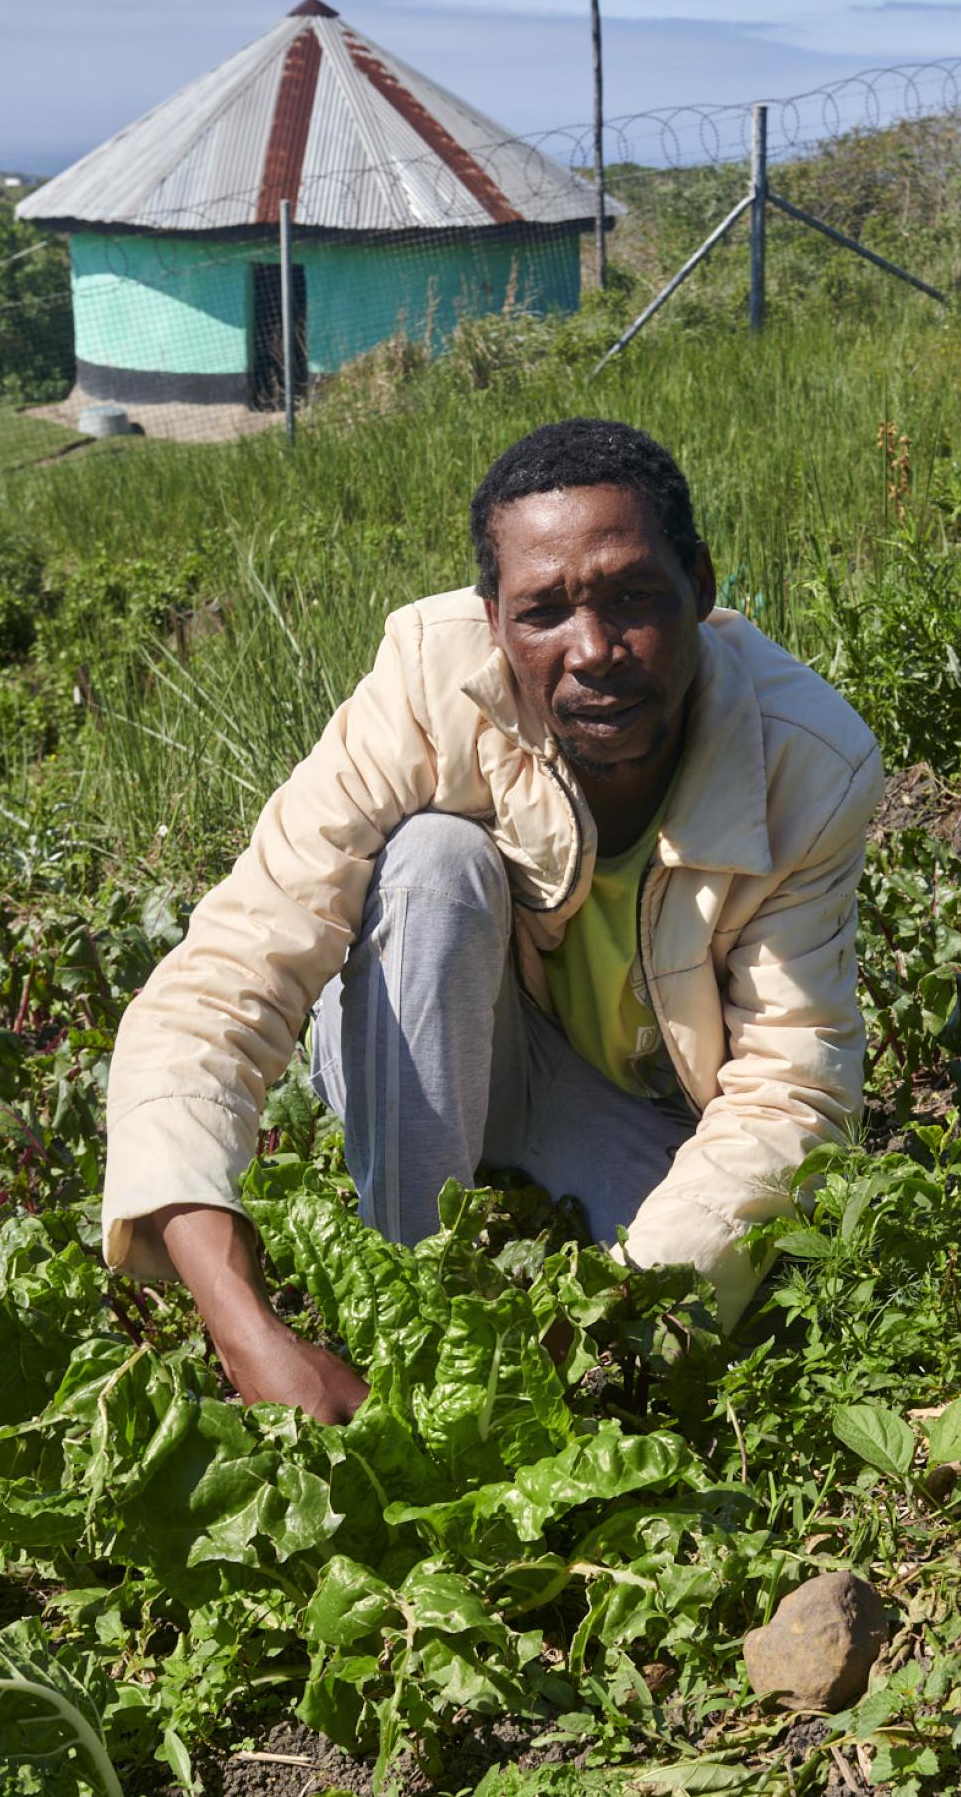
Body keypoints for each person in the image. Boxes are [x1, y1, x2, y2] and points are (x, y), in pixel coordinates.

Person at [102, 419, 883, 1422]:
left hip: (621, 1101)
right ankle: (408, 1296)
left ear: (701, 583)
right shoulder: (426, 685)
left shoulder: (806, 761)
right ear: (492, 621)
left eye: (634, 597)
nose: (592, 651)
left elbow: (788, 1095)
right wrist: (245, 1330)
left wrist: (603, 1323)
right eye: (542, 613)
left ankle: (494, 1310)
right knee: (433, 863)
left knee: (737, 1296)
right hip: (433, 1036)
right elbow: (223, 978)